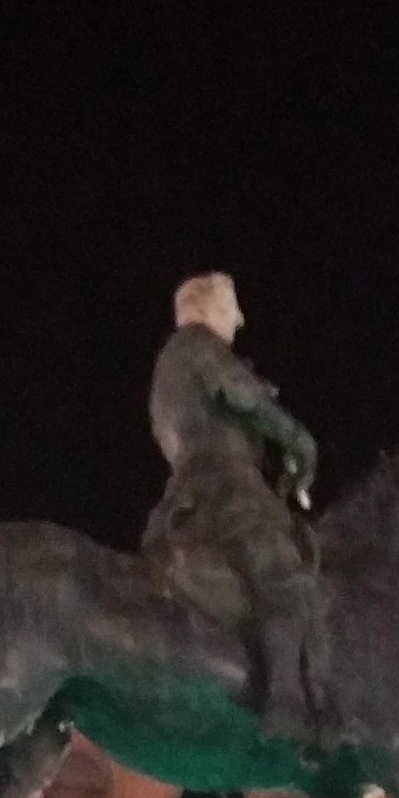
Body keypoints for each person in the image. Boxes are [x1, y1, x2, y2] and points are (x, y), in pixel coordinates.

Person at [144, 272, 329, 743]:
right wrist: (299, 441)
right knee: (286, 576)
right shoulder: (198, 346)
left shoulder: (176, 358)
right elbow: (244, 396)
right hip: (222, 484)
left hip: (193, 485)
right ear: (208, 308)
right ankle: (287, 708)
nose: (240, 318)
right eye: (232, 307)